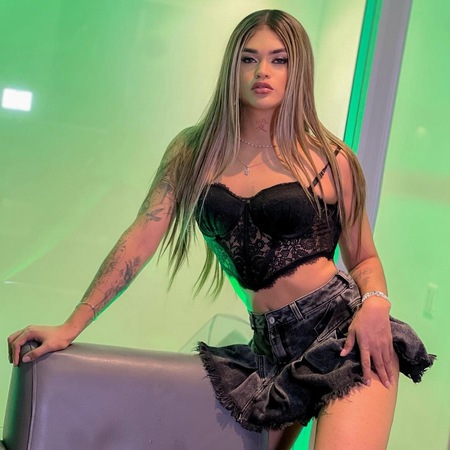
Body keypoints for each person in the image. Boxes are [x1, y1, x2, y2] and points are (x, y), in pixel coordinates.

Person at [7, 9, 434, 450]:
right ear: (233, 67)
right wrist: (72, 324)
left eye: (279, 60)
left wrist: (375, 303)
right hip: (269, 351)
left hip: (344, 336)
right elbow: (141, 237)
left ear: (298, 71)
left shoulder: (330, 159)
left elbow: (364, 257)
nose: (262, 71)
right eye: (249, 58)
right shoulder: (193, 152)